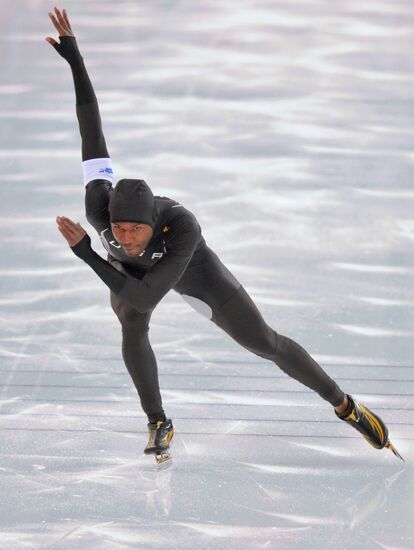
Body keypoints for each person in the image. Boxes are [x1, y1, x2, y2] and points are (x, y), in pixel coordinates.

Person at [47, 7, 403, 461]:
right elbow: (90, 125)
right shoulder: (99, 200)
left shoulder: (182, 226)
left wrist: (85, 252)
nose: (127, 237)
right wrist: (75, 59)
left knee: (264, 343)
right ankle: (158, 420)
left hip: (191, 273)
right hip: (131, 277)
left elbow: (144, 294)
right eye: (119, 229)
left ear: (154, 224)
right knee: (130, 324)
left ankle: (346, 405)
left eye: (137, 230)